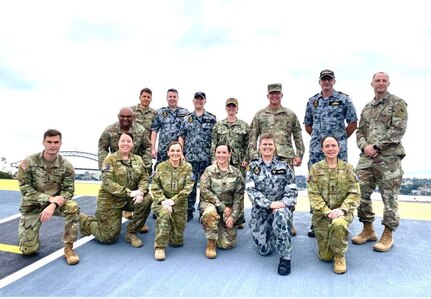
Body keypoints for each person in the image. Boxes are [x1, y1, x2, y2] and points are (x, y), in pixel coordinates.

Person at [352, 72, 408, 252]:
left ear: (388, 83)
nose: (381, 83)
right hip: (366, 159)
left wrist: (376, 146)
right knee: (359, 193)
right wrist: (365, 147)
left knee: (389, 198)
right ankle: (368, 229)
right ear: (372, 84)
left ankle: (388, 234)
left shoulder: (397, 104)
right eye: (378, 80)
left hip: (388, 159)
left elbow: (398, 130)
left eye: (384, 80)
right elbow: (359, 132)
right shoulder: (367, 108)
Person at [304, 69, 358, 238]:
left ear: (334, 81)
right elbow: (308, 125)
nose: (326, 82)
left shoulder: (343, 99)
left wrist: (339, 139)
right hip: (317, 151)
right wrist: (321, 142)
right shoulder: (313, 101)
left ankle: (340, 220)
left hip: (337, 150)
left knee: (341, 185)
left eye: (329, 79)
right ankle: (317, 221)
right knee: (315, 184)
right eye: (323, 79)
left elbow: (353, 122)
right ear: (319, 82)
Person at [17, 129, 80, 265]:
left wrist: (53, 205)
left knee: (73, 207)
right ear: (43, 143)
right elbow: (25, 189)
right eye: (49, 142)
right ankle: (31, 238)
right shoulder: (28, 162)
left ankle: (68, 249)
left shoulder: (67, 166)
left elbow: (68, 191)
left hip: (56, 204)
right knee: (28, 251)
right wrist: (48, 199)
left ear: (60, 143)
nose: (52, 145)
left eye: (56, 142)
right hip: (32, 206)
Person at [248, 83, 304, 236]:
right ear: (268, 96)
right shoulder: (260, 115)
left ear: (281, 95)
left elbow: (297, 136)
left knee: (288, 189)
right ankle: (265, 220)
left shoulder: (290, 115)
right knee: (265, 189)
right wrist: (253, 156)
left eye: (277, 94)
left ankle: (288, 220)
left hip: (286, 158)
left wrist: (299, 154)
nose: (274, 96)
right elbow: (253, 137)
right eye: (272, 94)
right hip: (265, 157)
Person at [80, 132, 152, 248]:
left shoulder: (138, 160)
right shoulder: (110, 160)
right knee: (108, 238)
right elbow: (108, 182)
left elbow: (144, 177)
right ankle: (85, 221)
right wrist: (129, 192)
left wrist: (141, 192)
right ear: (118, 143)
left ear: (132, 144)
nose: (125, 143)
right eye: (122, 141)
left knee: (147, 199)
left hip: (130, 198)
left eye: (128, 141)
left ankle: (131, 232)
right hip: (110, 200)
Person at [245, 133, 298, 276]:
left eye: (270, 144)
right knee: (265, 250)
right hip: (261, 211)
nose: (267, 147)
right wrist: (269, 204)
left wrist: (281, 204)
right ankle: (278, 233)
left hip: (279, 209)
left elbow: (292, 190)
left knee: (281, 216)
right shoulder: (252, 166)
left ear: (274, 147)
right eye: (264, 144)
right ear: (259, 147)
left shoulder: (284, 166)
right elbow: (250, 190)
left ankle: (285, 258)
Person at [307, 136, 360, 274]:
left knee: (338, 224)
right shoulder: (315, 169)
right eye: (327, 146)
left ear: (338, 148)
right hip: (322, 216)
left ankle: (339, 255)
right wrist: (326, 211)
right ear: (322, 149)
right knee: (325, 257)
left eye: (333, 145)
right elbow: (313, 195)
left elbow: (354, 193)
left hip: (341, 214)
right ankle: (334, 237)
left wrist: (342, 209)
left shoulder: (348, 168)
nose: (330, 149)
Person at [98, 106, 152, 230]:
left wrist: (146, 164)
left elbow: (147, 147)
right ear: (118, 117)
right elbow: (102, 147)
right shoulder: (109, 130)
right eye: (123, 116)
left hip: (135, 167)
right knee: (109, 233)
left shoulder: (141, 130)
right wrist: (104, 165)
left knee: (144, 196)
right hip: (116, 169)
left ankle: (138, 222)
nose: (125, 119)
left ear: (133, 117)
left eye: (128, 117)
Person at [199, 141, 245, 259]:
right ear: (215, 154)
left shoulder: (236, 173)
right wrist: (222, 207)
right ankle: (211, 243)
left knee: (227, 245)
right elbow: (205, 191)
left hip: (228, 210)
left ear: (229, 154)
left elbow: (238, 198)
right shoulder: (208, 171)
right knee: (210, 213)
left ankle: (219, 227)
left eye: (224, 152)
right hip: (211, 205)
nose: (221, 155)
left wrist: (233, 217)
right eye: (218, 152)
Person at [150, 141, 194, 261]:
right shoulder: (160, 167)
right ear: (168, 152)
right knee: (165, 215)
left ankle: (168, 231)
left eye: (178, 150)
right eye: (172, 151)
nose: (175, 153)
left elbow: (188, 187)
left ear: (181, 152)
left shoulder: (187, 167)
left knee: (177, 242)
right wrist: (164, 201)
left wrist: (173, 201)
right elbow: (154, 187)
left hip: (179, 205)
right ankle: (159, 247)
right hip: (162, 203)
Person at [210, 97, 249, 228]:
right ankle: (221, 214)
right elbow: (213, 144)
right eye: (229, 106)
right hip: (221, 162)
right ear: (226, 108)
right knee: (221, 189)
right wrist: (213, 159)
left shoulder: (244, 126)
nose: (231, 108)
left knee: (238, 190)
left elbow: (249, 145)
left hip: (238, 163)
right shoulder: (218, 125)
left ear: (237, 109)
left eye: (234, 107)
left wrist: (246, 160)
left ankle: (238, 217)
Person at [179, 91, 217, 222]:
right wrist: (180, 153)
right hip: (190, 158)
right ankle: (189, 211)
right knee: (190, 185)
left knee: (206, 187)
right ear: (193, 101)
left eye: (201, 99)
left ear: (205, 101)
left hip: (206, 158)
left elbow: (215, 139)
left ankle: (204, 211)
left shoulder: (211, 118)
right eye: (197, 99)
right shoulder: (186, 118)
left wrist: (214, 157)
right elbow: (181, 136)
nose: (199, 101)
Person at [151, 88, 190, 169]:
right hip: (163, 150)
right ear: (167, 98)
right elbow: (154, 131)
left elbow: (188, 132)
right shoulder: (160, 112)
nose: (172, 98)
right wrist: (153, 148)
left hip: (179, 151)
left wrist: (183, 151)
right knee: (161, 172)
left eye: (174, 97)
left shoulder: (185, 113)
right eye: (170, 96)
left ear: (178, 98)